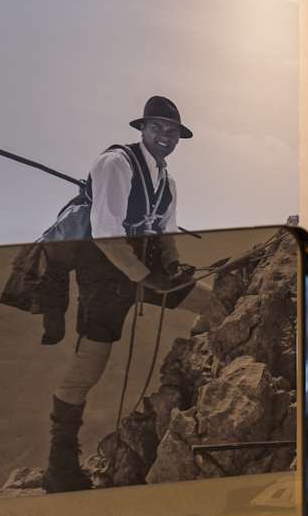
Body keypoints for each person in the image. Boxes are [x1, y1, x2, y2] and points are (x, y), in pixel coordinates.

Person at [45, 97, 223, 491]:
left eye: (172, 131)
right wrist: (147, 278)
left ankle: (206, 383)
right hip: (104, 276)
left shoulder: (166, 181)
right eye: (157, 127)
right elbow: (105, 234)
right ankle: (60, 466)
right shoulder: (115, 164)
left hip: (144, 270)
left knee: (214, 303)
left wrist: (172, 267)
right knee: (89, 366)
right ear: (142, 129)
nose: (165, 136)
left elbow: (165, 233)